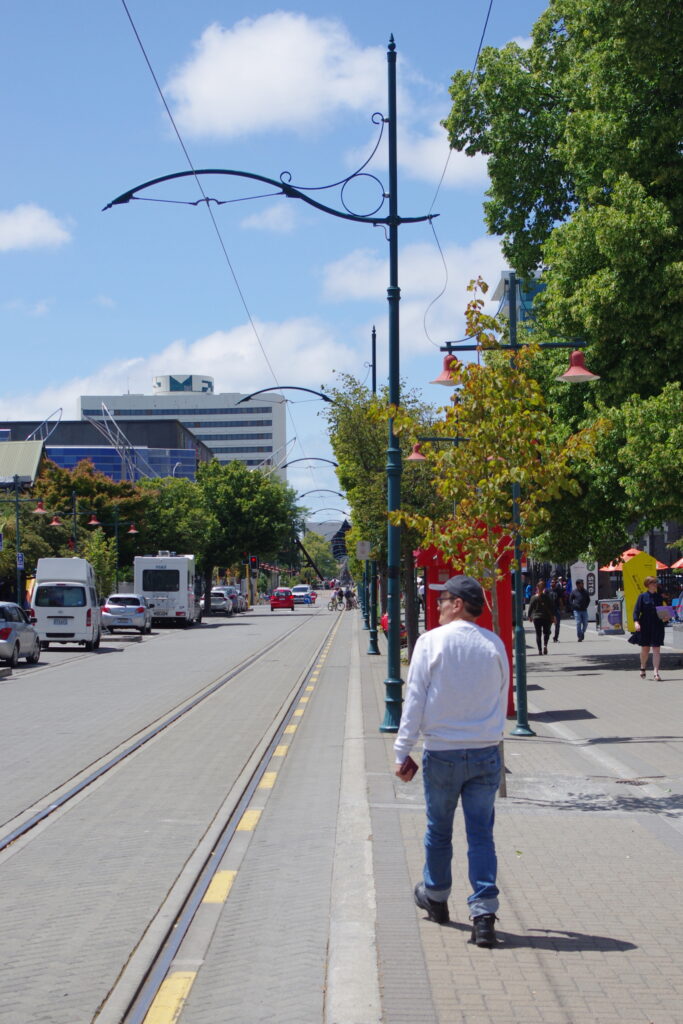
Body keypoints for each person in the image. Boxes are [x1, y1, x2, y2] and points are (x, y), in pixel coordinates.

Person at [394, 575, 509, 948]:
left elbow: (415, 700)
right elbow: (501, 696)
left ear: (458, 604)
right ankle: (484, 913)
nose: (438, 605)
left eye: (442, 599)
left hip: (442, 752)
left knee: (438, 829)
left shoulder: (430, 643)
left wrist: (402, 751)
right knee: (481, 833)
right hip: (486, 752)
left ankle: (436, 897)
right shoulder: (494, 644)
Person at [633, 576, 667, 680]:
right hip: (645, 625)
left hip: (657, 625)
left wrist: (666, 617)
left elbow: (663, 612)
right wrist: (636, 622)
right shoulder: (642, 597)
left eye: (656, 583)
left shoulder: (659, 597)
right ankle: (643, 667)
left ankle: (656, 673)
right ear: (647, 584)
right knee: (645, 649)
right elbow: (636, 611)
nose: (655, 585)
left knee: (656, 649)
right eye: (652, 583)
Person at [527, 580, 555, 655]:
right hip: (546, 617)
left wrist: (529, 616)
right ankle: (545, 645)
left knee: (538, 634)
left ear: (537, 587)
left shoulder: (533, 598)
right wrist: (553, 616)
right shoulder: (547, 597)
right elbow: (551, 607)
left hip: (536, 618)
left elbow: (530, 608)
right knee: (546, 632)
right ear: (544, 588)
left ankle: (539, 650)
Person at [550, 576, 565, 643]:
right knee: (548, 625)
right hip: (549, 611)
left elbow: (560, 600)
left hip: (556, 609)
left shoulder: (558, 591)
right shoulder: (548, 591)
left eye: (553, 582)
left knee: (557, 625)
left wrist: (562, 609)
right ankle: (547, 635)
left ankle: (555, 638)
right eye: (551, 582)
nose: (552, 583)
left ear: (556, 584)